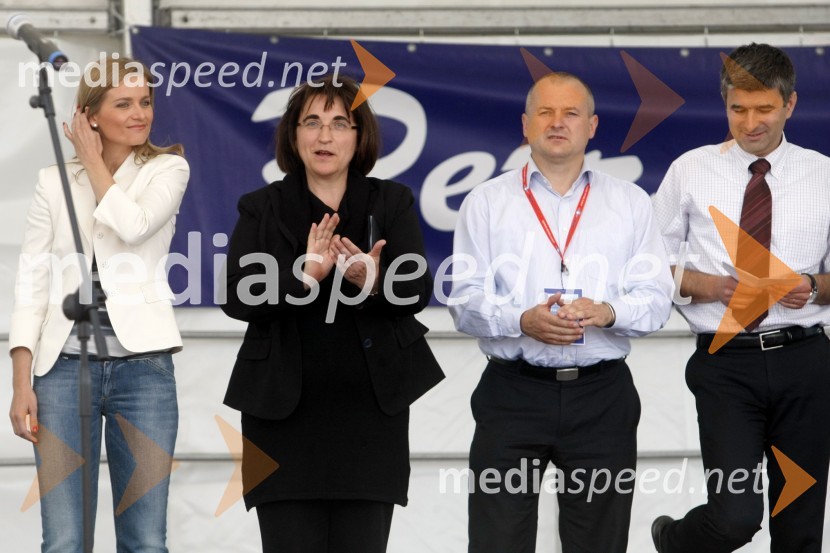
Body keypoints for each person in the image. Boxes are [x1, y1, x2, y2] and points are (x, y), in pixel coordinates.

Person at [450, 72, 673, 553]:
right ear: (525, 124)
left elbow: (657, 298)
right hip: (512, 395)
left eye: (571, 113)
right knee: (496, 542)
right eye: (545, 112)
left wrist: (608, 311)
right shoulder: (485, 202)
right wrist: (520, 320)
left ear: (591, 126)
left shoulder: (631, 203)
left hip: (602, 398)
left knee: (598, 543)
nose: (557, 123)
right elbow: (463, 301)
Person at [221, 74, 444, 553]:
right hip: (280, 420)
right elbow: (237, 296)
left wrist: (373, 281)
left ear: (359, 137)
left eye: (340, 123)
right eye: (312, 122)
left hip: (370, 418)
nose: (325, 136)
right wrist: (303, 277)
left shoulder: (391, 201)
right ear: (293, 134)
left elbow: (417, 289)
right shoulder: (261, 207)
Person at [650, 43, 830, 553]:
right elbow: (645, 266)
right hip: (724, 363)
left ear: (790, 104)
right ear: (725, 104)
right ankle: (673, 541)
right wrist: (705, 285)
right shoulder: (689, 170)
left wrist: (813, 285)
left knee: (799, 528)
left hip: (805, 362)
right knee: (734, 518)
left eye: (764, 109)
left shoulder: (824, 174)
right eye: (738, 109)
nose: (750, 123)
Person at [8, 56, 189, 552]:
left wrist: (92, 163)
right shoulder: (52, 181)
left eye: (145, 102)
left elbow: (134, 226)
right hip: (62, 371)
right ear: (89, 114)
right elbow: (32, 283)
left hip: (144, 370)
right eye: (124, 103)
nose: (140, 113)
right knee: (64, 540)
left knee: (145, 540)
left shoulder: (168, 168)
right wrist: (21, 383)